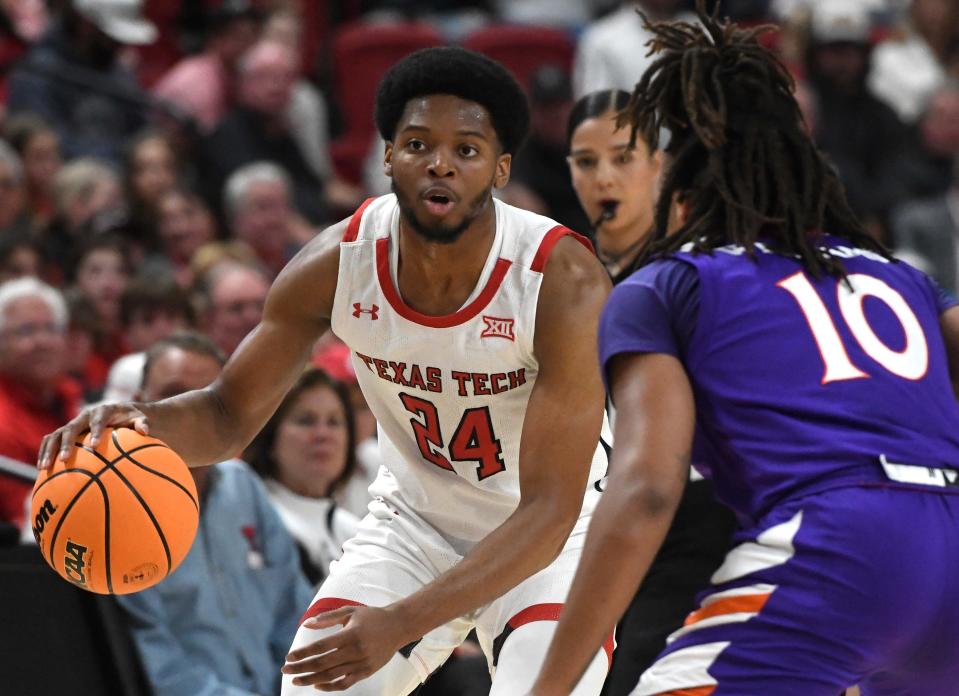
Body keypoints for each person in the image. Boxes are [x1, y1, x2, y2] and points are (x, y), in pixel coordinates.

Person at [39, 46, 613, 695]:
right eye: (418, 143)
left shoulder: (560, 280)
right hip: (415, 525)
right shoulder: (338, 263)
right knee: (316, 689)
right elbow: (228, 418)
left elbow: (548, 510)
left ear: (501, 166)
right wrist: (136, 427)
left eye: (467, 149)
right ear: (388, 155)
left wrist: (398, 623)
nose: (441, 164)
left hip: (548, 540)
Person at [532, 7, 959, 695]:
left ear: (679, 182)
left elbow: (644, 492)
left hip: (836, 542)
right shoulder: (902, 277)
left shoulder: (668, 283)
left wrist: (547, 687)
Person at [566, 88, 737, 696]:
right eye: (586, 162)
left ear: (661, 166)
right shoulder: (565, 279)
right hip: (597, 518)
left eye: (623, 157)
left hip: (698, 515)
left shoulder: (699, 269)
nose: (604, 177)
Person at [116, 331, 314, 696]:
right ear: (139, 404)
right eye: (170, 393)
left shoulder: (242, 485)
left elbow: (295, 611)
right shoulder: (119, 512)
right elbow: (156, 663)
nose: (184, 410)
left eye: (204, 397)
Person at [245, 367, 360, 585]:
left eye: (334, 422)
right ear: (269, 437)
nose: (323, 434)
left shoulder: (357, 531)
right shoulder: (254, 517)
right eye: (306, 421)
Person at [0, 277, 79, 527]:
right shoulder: (3, 421)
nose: (42, 342)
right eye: (27, 331)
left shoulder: (71, 396)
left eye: (50, 329)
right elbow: (26, 519)